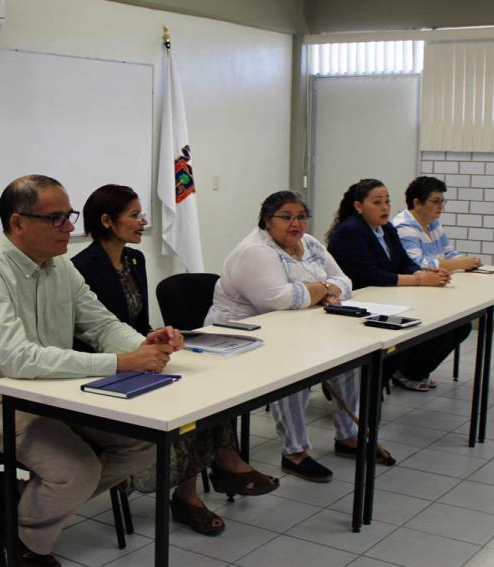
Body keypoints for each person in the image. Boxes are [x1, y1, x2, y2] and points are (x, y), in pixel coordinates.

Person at [0, 175, 183, 567]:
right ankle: (22, 539)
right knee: (77, 470)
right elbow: (17, 360)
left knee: (143, 443)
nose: (70, 227)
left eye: (69, 216)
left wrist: (143, 344)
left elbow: (101, 324)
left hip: (49, 391)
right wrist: (122, 362)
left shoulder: (59, 268)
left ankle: (16, 504)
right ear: (18, 222)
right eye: (56, 219)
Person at [71, 184, 276, 536]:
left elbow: (136, 324)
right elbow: (90, 333)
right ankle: (197, 490)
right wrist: (137, 352)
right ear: (106, 221)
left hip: (139, 354)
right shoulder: (80, 268)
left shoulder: (134, 259)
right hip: (107, 367)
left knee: (204, 390)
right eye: (134, 215)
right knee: (181, 405)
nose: (143, 222)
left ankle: (208, 476)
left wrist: (160, 337)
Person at [206, 190, 369, 484]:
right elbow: (280, 300)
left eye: (301, 217)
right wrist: (324, 288)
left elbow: (345, 282)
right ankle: (294, 453)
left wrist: (319, 290)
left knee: (348, 358)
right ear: (267, 220)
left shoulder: (309, 243)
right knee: (295, 367)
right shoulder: (255, 251)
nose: (296, 224)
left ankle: (348, 435)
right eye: (286, 217)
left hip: (294, 326)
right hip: (238, 336)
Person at [327, 178, 470, 392]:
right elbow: (371, 275)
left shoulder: (386, 228)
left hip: (387, 299)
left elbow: (404, 262)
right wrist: (420, 280)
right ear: (358, 206)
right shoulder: (351, 231)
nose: (385, 207)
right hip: (357, 304)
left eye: (387, 201)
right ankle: (369, 386)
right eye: (377, 202)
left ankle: (409, 372)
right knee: (404, 336)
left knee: (454, 325)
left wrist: (423, 272)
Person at [391, 176, 483, 272]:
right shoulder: (403, 226)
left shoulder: (433, 222)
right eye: (436, 201)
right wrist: (459, 264)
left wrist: (470, 262)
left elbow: (449, 253)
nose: (441, 206)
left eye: (442, 201)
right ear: (417, 203)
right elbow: (416, 264)